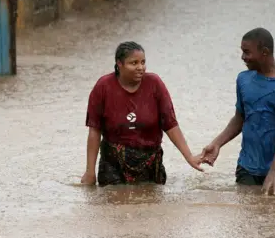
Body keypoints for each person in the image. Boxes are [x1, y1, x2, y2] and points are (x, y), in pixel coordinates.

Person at [81, 41, 204, 186]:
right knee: (114, 204)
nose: (140, 67)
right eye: (134, 63)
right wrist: (90, 172)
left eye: (143, 62)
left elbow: (170, 124)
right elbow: (94, 131)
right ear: (119, 64)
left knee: (149, 205)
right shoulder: (103, 87)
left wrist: (189, 157)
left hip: (150, 163)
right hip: (113, 165)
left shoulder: (155, 84)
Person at [200, 28, 275, 196]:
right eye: (242, 52)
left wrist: (274, 169)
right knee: (248, 217)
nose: (243, 57)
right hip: (248, 168)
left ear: (265, 52)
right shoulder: (243, 79)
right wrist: (217, 143)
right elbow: (240, 118)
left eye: (247, 52)